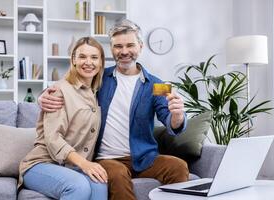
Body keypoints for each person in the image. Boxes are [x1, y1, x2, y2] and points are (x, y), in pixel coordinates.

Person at [39, 19, 189, 200]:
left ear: (140, 47)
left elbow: (171, 121)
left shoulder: (157, 83)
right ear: (111, 49)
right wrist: (44, 94)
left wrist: (178, 115)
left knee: (178, 166)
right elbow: (71, 85)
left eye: (130, 45)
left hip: (145, 158)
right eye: (118, 46)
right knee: (117, 174)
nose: (124, 51)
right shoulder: (100, 77)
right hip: (107, 159)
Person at [19, 37, 108, 200]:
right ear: (73, 59)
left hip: (73, 167)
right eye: (82, 56)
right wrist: (85, 163)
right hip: (42, 163)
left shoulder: (97, 91)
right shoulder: (59, 91)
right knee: (78, 186)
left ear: (101, 62)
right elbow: (53, 138)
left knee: (100, 184)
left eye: (94, 57)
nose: (88, 62)